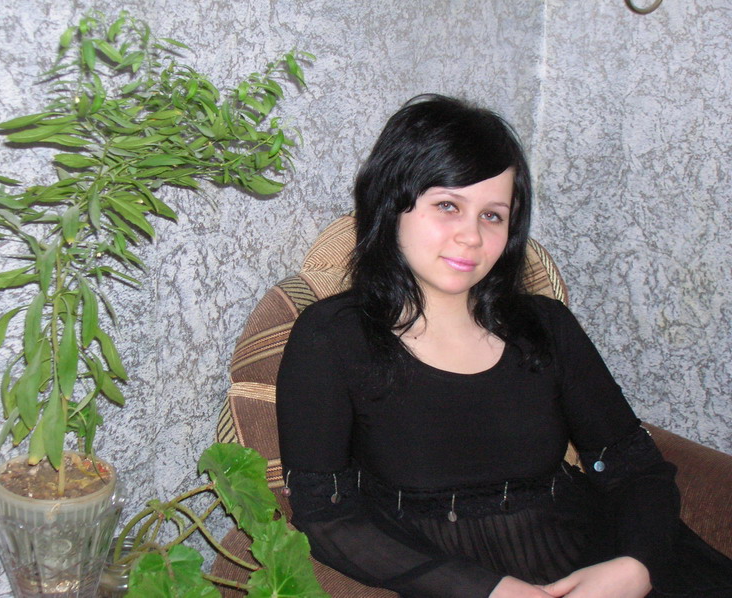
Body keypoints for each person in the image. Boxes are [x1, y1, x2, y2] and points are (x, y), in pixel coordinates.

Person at [275, 94, 732, 598]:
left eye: (493, 216)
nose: (471, 236)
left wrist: (635, 566)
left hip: (598, 564)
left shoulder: (545, 325)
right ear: (390, 202)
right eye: (447, 206)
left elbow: (636, 470)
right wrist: (488, 590)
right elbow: (326, 515)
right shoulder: (332, 336)